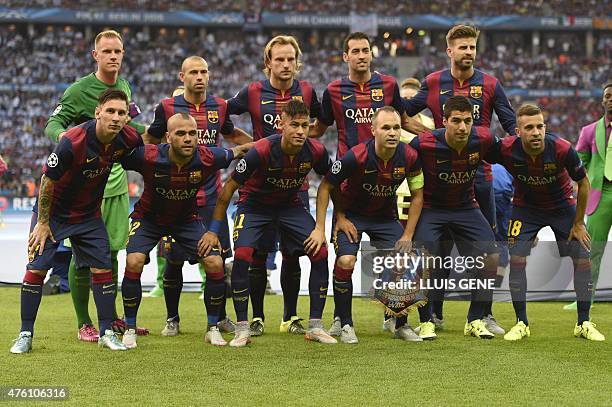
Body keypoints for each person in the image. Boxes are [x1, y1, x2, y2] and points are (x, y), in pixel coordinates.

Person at [309, 32, 425, 336]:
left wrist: (438, 136)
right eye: (355, 51)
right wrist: (287, 135)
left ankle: (397, 319)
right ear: (345, 57)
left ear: (371, 54)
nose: (361, 56)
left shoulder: (388, 85)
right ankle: (342, 320)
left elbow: (404, 121)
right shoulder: (333, 90)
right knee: (345, 258)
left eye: (365, 51)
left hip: (383, 188)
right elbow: (319, 129)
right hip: (348, 190)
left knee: (404, 258)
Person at [403, 24, 515, 334]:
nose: (468, 52)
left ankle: (484, 315)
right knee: (436, 252)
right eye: (462, 47)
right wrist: (427, 134)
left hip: (479, 177)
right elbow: (402, 112)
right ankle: (432, 314)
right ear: (449, 50)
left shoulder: (490, 84)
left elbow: (511, 125)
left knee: (486, 248)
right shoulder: (434, 82)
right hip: (439, 175)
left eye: (472, 47)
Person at [10, 89, 142, 353]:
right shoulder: (73, 140)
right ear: (98, 113)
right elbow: (47, 180)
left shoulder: (127, 138)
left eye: (121, 113)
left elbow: (151, 145)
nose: (116, 118)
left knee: (102, 268)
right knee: (37, 268)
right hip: (53, 214)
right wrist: (43, 222)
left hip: (88, 214)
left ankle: (106, 332)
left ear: (127, 117)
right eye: (110, 111)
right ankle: (25, 334)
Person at [199, 100, 335, 347]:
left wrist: (321, 227)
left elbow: (330, 182)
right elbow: (228, 189)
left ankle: (316, 326)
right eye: (294, 125)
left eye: (305, 125)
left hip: (289, 206)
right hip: (254, 206)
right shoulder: (260, 150)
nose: (300, 131)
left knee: (321, 252)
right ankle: (243, 328)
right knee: (242, 255)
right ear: (281, 124)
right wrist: (213, 231)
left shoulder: (315, 151)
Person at [44, 29, 148, 342]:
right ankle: (83, 321)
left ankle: (111, 317)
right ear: (96, 55)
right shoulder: (79, 90)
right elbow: (53, 123)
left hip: (114, 181)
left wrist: (162, 129)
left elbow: (133, 126)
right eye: (107, 52)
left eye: (118, 51)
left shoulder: (124, 87)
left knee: (112, 251)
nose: (113, 56)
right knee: (82, 253)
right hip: (84, 182)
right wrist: (63, 139)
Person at [118, 113, 251, 348]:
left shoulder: (209, 157)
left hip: (186, 220)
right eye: (181, 134)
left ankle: (212, 328)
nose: (188, 138)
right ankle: (129, 328)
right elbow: (114, 153)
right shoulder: (146, 156)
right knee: (134, 260)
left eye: (192, 133)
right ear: (168, 137)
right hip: (148, 218)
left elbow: (241, 150)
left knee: (215, 262)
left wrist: (275, 143)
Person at [145, 56, 251, 336]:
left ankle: (218, 318)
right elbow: (150, 140)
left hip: (211, 200)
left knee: (217, 262)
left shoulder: (220, 106)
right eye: (194, 72)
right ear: (182, 76)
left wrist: (261, 145)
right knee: (173, 261)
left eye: (204, 71)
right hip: (175, 201)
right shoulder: (166, 107)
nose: (200, 77)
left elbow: (230, 134)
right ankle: (172, 318)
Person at [227, 35, 321, 336]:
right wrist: (249, 145)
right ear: (268, 62)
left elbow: (320, 124)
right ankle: (256, 318)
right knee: (255, 255)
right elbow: (221, 119)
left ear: (297, 62)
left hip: (295, 187)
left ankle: (290, 317)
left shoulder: (306, 90)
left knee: (293, 254)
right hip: (257, 188)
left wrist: (303, 142)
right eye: (279, 59)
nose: (285, 64)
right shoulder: (253, 91)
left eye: (290, 59)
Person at [489, 104, 605, 341]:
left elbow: (583, 183)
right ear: (518, 131)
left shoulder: (562, 148)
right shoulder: (506, 149)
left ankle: (583, 323)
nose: (536, 132)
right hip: (525, 208)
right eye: (529, 127)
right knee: (518, 258)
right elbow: (478, 152)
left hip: (562, 207)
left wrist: (578, 223)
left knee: (582, 258)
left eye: (540, 126)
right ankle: (521, 323)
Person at [409, 96, 500, 339]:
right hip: (432, 209)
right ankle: (426, 321)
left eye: (467, 121)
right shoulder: (423, 143)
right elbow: (403, 166)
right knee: (424, 261)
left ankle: (474, 320)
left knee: (491, 257)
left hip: (466, 208)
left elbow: (510, 156)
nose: (462, 127)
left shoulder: (483, 139)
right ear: (445, 121)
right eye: (456, 121)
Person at [566, 82, 612, 310]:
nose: (611, 99)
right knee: (592, 251)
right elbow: (578, 163)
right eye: (608, 96)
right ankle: (584, 300)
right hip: (600, 194)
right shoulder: (589, 131)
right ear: (602, 101)